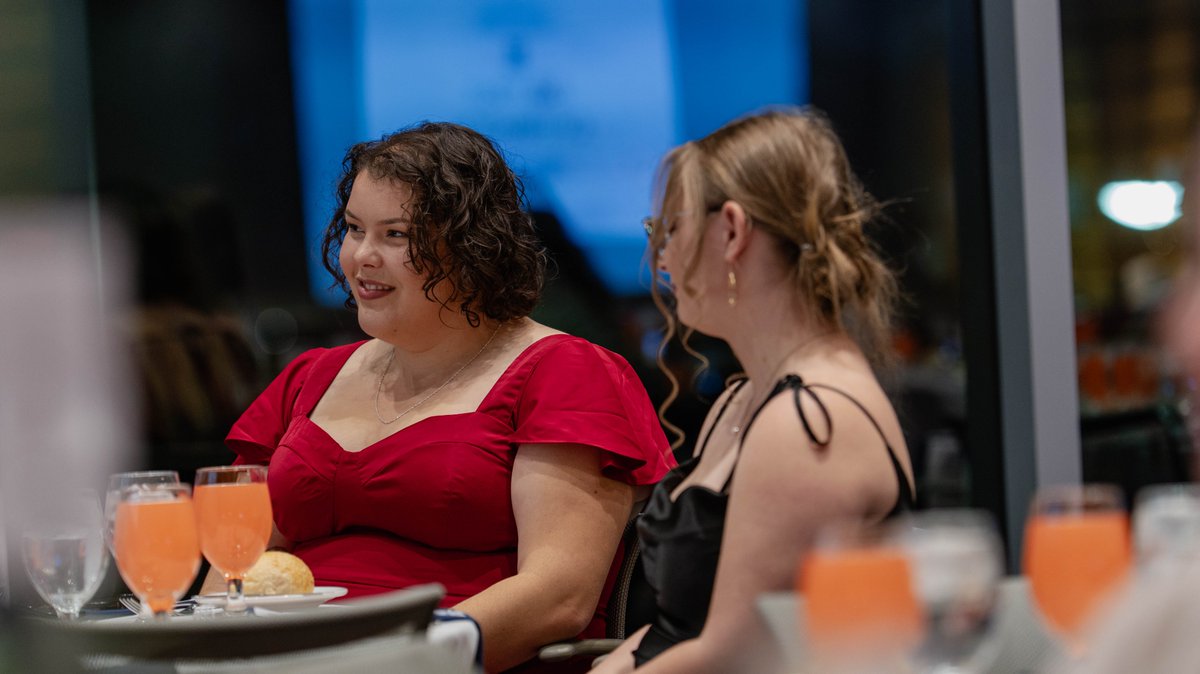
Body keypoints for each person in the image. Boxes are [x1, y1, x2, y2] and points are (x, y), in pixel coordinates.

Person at [216, 122, 674, 673]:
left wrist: (391, 660)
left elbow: (558, 595)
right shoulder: (309, 377)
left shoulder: (563, 372)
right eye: (355, 229)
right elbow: (231, 567)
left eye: (396, 235)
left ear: (473, 247)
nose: (361, 256)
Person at [592, 107, 915, 673]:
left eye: (668, 228)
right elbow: (686, 623)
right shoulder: (747, 396)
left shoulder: (811, 424)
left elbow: (734, 656)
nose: (659, 257)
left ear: (733, 230)